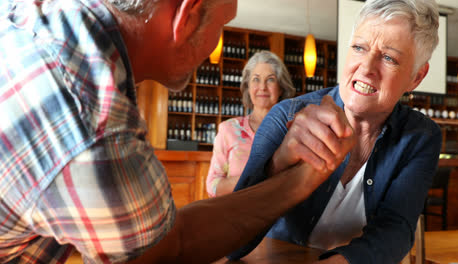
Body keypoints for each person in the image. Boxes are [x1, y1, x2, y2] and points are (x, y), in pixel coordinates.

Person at [0, 0, 353, 263]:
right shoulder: (97, 134)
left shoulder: (33, 12)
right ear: (188, 16)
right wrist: (303, 178)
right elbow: (175, 245)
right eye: (221, 24)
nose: (216, 41)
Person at [228, 0, 442, 263]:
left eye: (389, 58)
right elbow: (232, 241)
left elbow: (396, 229)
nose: (366, 68)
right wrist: (277, 165)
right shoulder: (287, 115)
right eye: (359, 48)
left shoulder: (421, 135)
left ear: (416, 77)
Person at [206, 51, 295, 197]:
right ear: (248, 87)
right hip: (236, 216)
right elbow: (212, 186)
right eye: (256, 79)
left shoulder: (293, 130)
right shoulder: (228, 129)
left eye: (271, 79)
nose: (262, 87)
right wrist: (253, 178)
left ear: (281, 88)